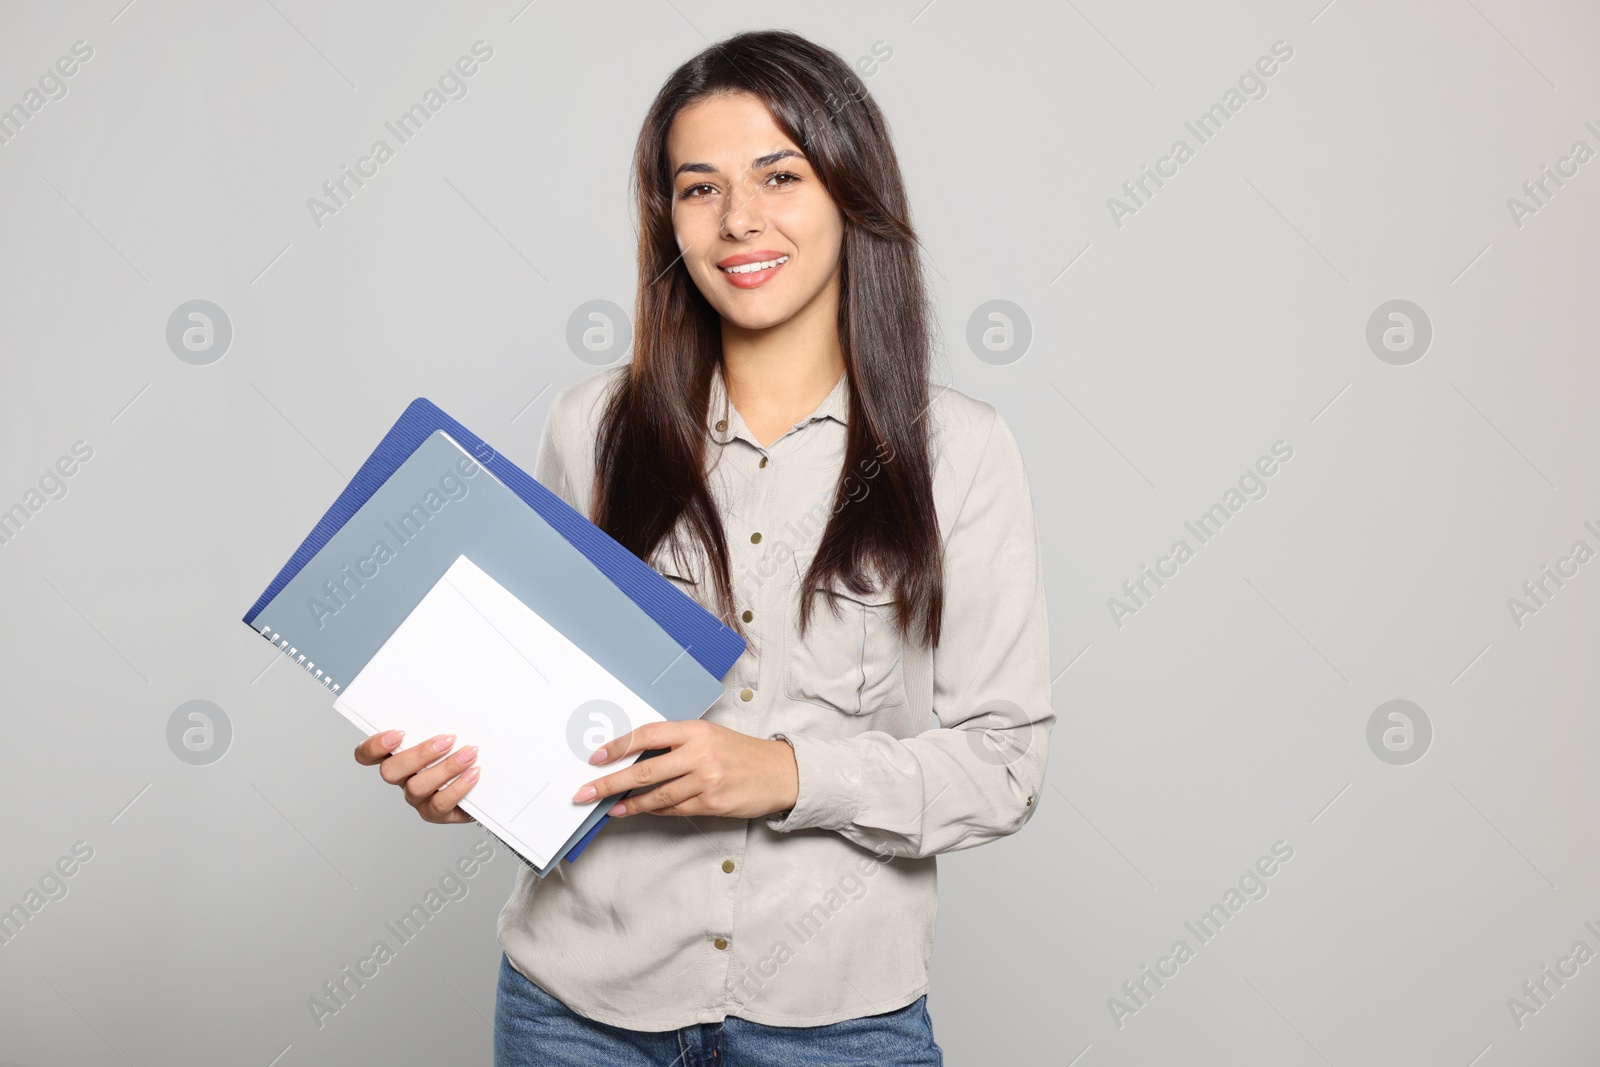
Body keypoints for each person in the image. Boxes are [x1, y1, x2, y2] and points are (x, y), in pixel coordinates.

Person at [352, 28, 1054, 1067]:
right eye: (697, 188)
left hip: (841, 1022)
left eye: (780, 174)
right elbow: (547, 723)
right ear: (665, 218)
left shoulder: (961, 452)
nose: (739, 220)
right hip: (572, 1013)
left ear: (849, 191)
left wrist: (779, 772)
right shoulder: (589, 427)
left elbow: (1003, 765)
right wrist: (469, 779)